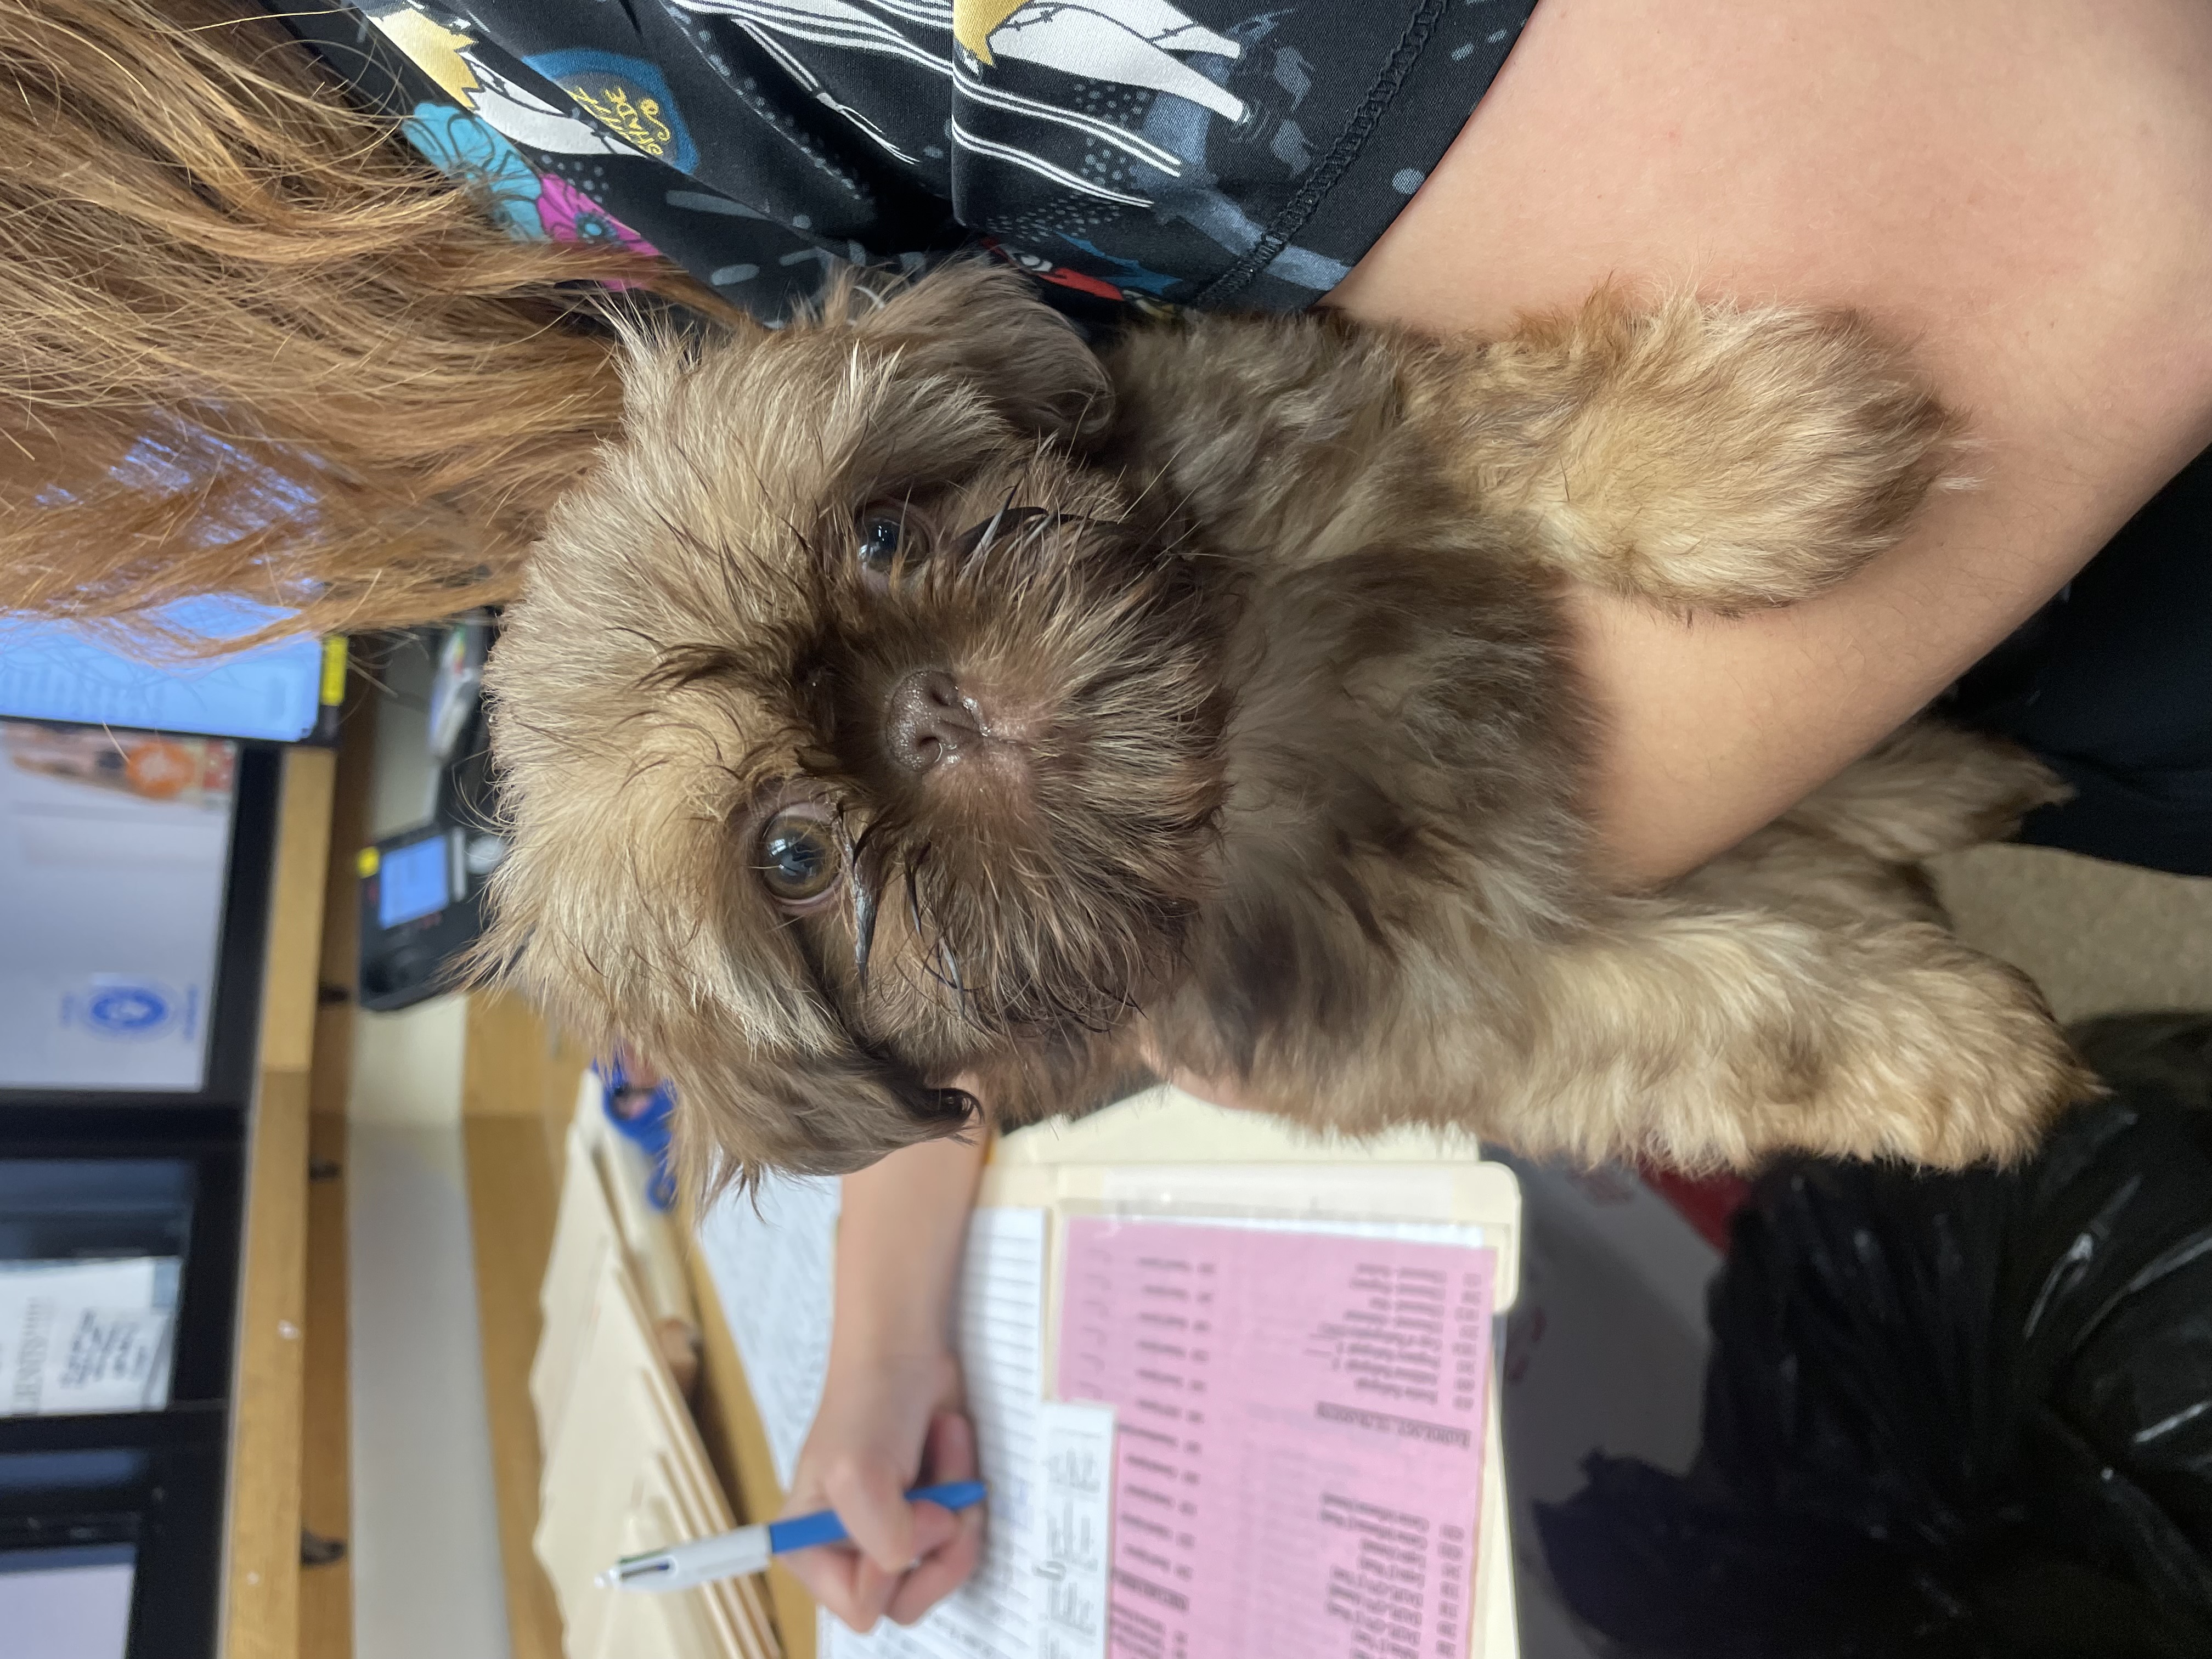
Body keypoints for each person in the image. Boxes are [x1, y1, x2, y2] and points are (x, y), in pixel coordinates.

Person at [8, 0, 2208, 1635]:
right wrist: (891, 1321)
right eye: (796, 856)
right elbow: (1411, 1018)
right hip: (2015, 651)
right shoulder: (505, 164)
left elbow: (2030, 259)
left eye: (887, 546)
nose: (927, 708)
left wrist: (1587, 501)